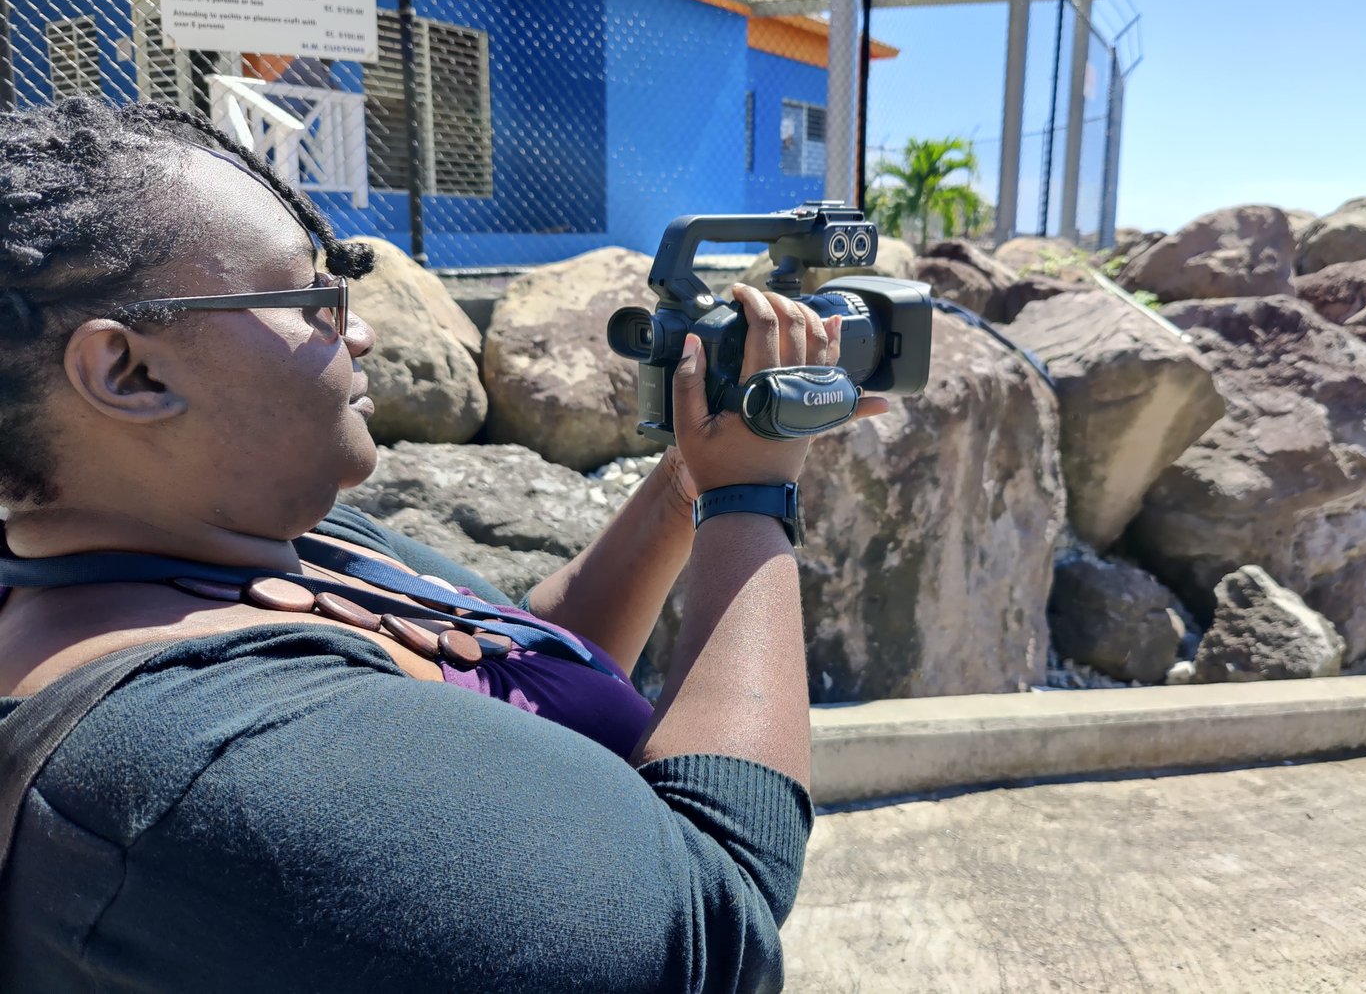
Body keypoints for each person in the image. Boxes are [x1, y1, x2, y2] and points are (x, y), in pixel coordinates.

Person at [0, 97, 886, 991]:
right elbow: (716, 923)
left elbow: (532, 661)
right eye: (314, 297)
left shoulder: (261, 536)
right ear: (129, 371)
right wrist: (752, 494)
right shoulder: (196, 763)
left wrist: (690, 477)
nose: (360, 330)